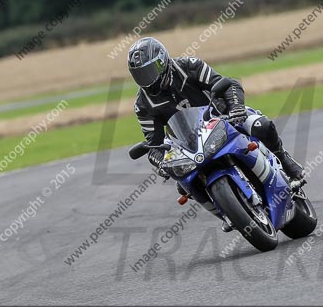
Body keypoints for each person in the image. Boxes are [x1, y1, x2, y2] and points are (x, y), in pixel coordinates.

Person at [127, 37, 306, 231]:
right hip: (187, 143)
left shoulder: (189, 65)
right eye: (140, 75)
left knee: (261, 125)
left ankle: (284, 159)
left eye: (149, 71)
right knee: (183, 183)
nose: (147, 79)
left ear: (162, 62)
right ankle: (227, 213)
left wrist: (236, 108)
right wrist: (162, 163)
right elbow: (153, 144)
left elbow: (228, 84)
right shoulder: (142, 104)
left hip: (221, 116)